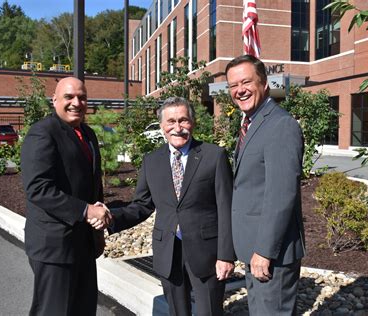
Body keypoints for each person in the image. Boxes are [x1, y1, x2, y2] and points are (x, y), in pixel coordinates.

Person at [92, 97, 235, 316]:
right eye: (171, 122)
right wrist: (111, 217)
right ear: (161, 127)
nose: (177, 128)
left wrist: (225, 256)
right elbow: (142, 205)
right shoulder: (152, 161)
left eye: (183, 120)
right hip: (168, 252)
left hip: (206, 253)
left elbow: (226, 207)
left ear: (193, 122)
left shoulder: (213, 156)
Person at [20, 77, 111, 316]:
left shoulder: (88, 134)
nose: (76, 102)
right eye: (69, 97)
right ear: (55, 100)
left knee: (83, 310)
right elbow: (38, 188)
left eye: (82, 97)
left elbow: (93, 187)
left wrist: (97, 233)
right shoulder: (42, 133)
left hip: (83, 245)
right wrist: (87, 211)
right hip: (55, 247)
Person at [225, 55, 305, 315]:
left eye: (246, 82)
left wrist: (264, 251)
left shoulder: (281, 125)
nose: (240, 90)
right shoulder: (252, 122)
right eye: (233, 85)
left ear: (264, 83)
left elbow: (281, 195)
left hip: (271, 252)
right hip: (253, 247)